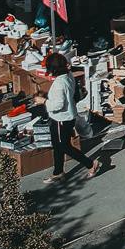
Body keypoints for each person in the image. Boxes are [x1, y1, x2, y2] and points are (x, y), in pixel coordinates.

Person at [42, 52, 102, 182]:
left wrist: (43, 102)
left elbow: (58, 104)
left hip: (60, 118)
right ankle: (58, 171)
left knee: (64, 146)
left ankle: (90, 164)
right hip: (69, 116)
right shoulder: (69, 76)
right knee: (58, 145)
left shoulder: (59, 83)